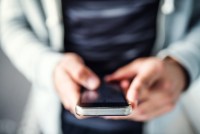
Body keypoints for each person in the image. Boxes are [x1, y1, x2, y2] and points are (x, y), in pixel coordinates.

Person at [1, 0, 200, 134]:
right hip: (53, 119)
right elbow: (9, 21)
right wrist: (48, 67)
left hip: (162, 121)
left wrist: (181, 64)